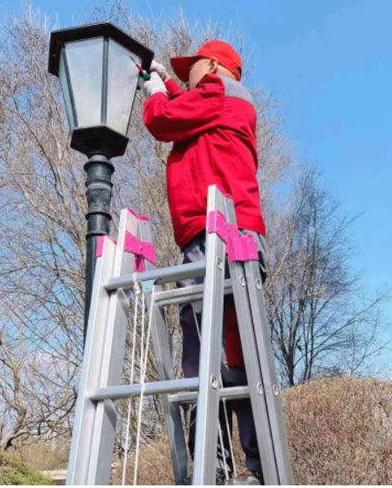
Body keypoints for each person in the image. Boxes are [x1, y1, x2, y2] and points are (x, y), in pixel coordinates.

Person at [141, 40, 267, 486]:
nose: (189, 77)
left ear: (213, 66)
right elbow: (189, 107)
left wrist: (156, 90)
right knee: (234, 357)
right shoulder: (221, 104)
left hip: (217, 238)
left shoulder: (220, 93)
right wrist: (167, 81)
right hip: (229, 237)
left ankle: (215, 470)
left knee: (206, 363)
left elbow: (163, 120)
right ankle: (249, 468)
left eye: (191, 69)